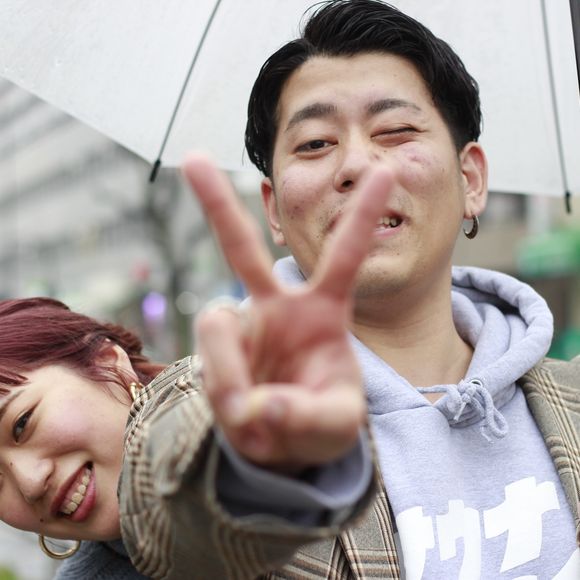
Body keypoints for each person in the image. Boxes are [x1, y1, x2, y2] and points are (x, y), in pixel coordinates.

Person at [0, 0, 578, 578]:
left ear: (470, 179)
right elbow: (170, 515)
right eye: (315, 144)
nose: (357, 165)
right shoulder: (223, 392)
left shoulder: (567, 397)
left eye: (395, 131)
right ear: (273, 209)